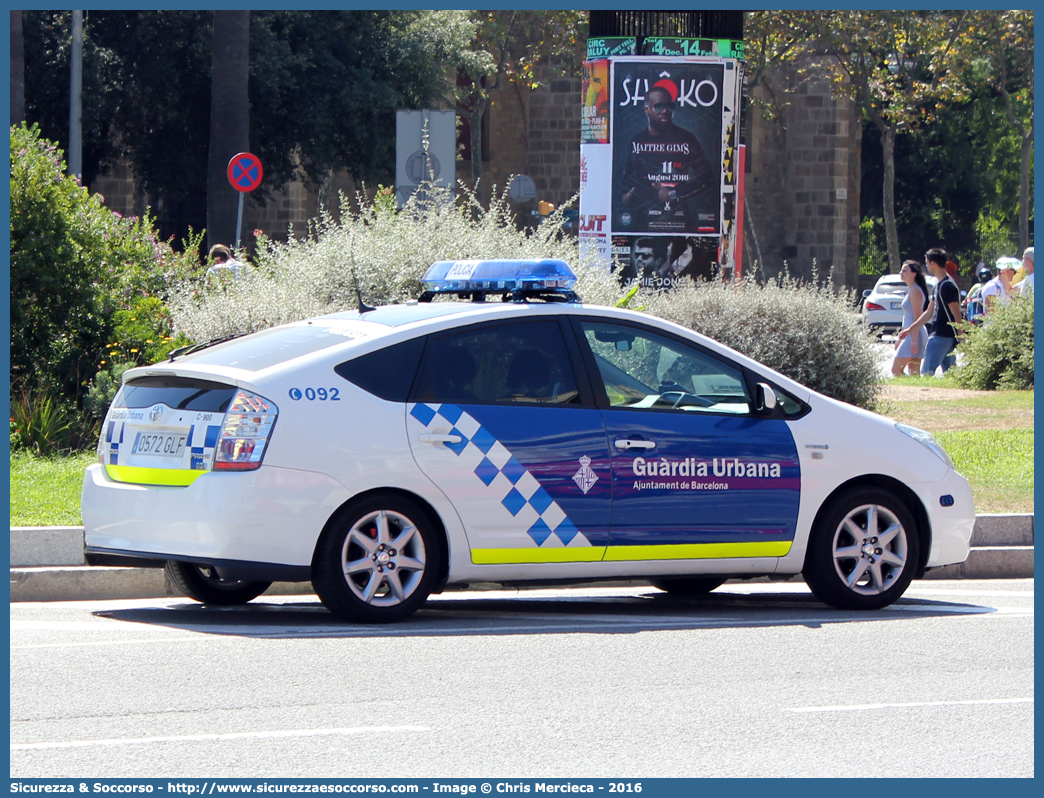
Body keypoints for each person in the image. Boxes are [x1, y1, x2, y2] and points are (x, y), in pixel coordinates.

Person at [619, 85, 716, 233]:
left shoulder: (686, 139)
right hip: (642, 223)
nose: (665, 111)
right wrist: (625, 197)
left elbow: (707, 177)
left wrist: (673, 193)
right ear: (647, 109)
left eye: (669, 106)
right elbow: (624, 180)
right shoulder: (636, 141)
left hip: (677, 221)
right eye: (658, 107)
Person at [897, 247, 962, 376]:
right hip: (944, 336)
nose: (926, 266)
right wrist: (910, 329)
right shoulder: (938, 285)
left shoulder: (947, 286)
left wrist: (961, 336)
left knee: (927, 372)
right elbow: (928, 313)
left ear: (933, 263)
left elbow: (956, 313)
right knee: (952, 374)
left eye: (927, 263)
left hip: (941, 336)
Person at [891, 260, 930, 377]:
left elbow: (917, 317)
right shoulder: (912, 289)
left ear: (914, 274)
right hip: (910, 334)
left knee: (896, 370)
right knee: (914, 372)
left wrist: (913, 341)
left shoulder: (915, 290)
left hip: (914, 335)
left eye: (904, 270)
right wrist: (901, 339)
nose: (901, 273)